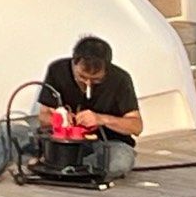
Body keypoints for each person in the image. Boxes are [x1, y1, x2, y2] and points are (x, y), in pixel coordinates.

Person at [38, 35, 142, 178]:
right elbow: (43, 115)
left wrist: (102, 119)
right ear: (74, 63)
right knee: (10, 131)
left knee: (120, 162)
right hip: (65, 140)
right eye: (82, 77)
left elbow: (136, 126)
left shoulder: (121, 80)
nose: (88, 84)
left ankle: (65, 166)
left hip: (107, 143)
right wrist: (58, 119)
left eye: (96, 80)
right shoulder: (57, 70)